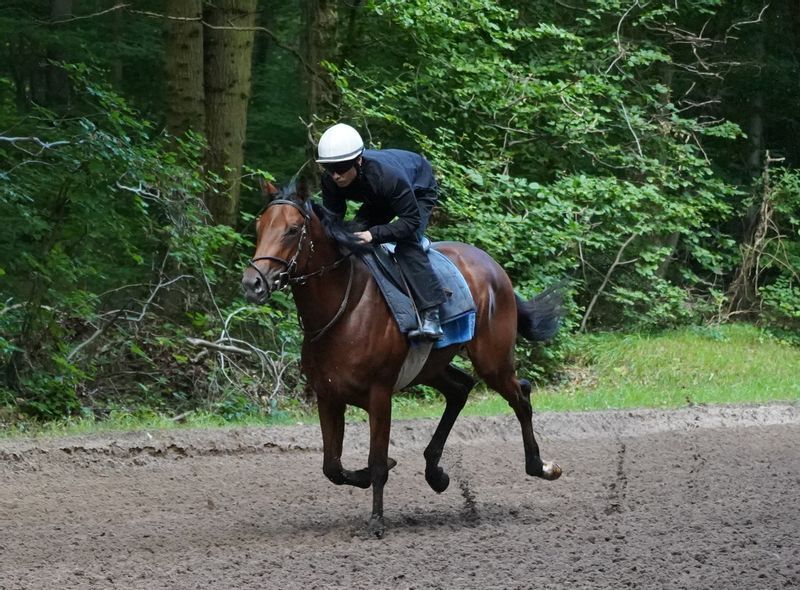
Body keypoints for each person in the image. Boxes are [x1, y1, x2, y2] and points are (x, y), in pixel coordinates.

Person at [316, 123, 446, 340]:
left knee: (406, 243)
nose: (336, 176)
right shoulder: (331, 179)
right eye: (330, 169)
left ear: (358, 161)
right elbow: (333, 218)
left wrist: (374, 234)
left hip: (417, 189)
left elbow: (410, 221)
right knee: (351, 236)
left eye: (341, 168)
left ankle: (431, 314)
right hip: (379, 197)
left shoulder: (387, 176)